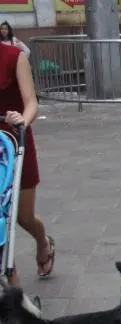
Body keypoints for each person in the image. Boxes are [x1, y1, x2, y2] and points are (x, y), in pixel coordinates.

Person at [0, 43, 55, 282]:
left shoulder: (14, 57)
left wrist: (23, 118)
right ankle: (10, 278)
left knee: (22, 217)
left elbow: (31, 102)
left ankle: (42, 240)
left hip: (14, 142)